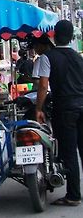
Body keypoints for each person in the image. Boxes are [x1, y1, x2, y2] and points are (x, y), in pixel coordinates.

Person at [35, 20, 83, 207]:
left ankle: (73, 196)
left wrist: (39, 109)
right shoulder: (79, 58)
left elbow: (43, 86)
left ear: (54, 35)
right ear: (72, 37)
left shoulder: (48, 57)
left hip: (65, 109)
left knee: (69, 152)